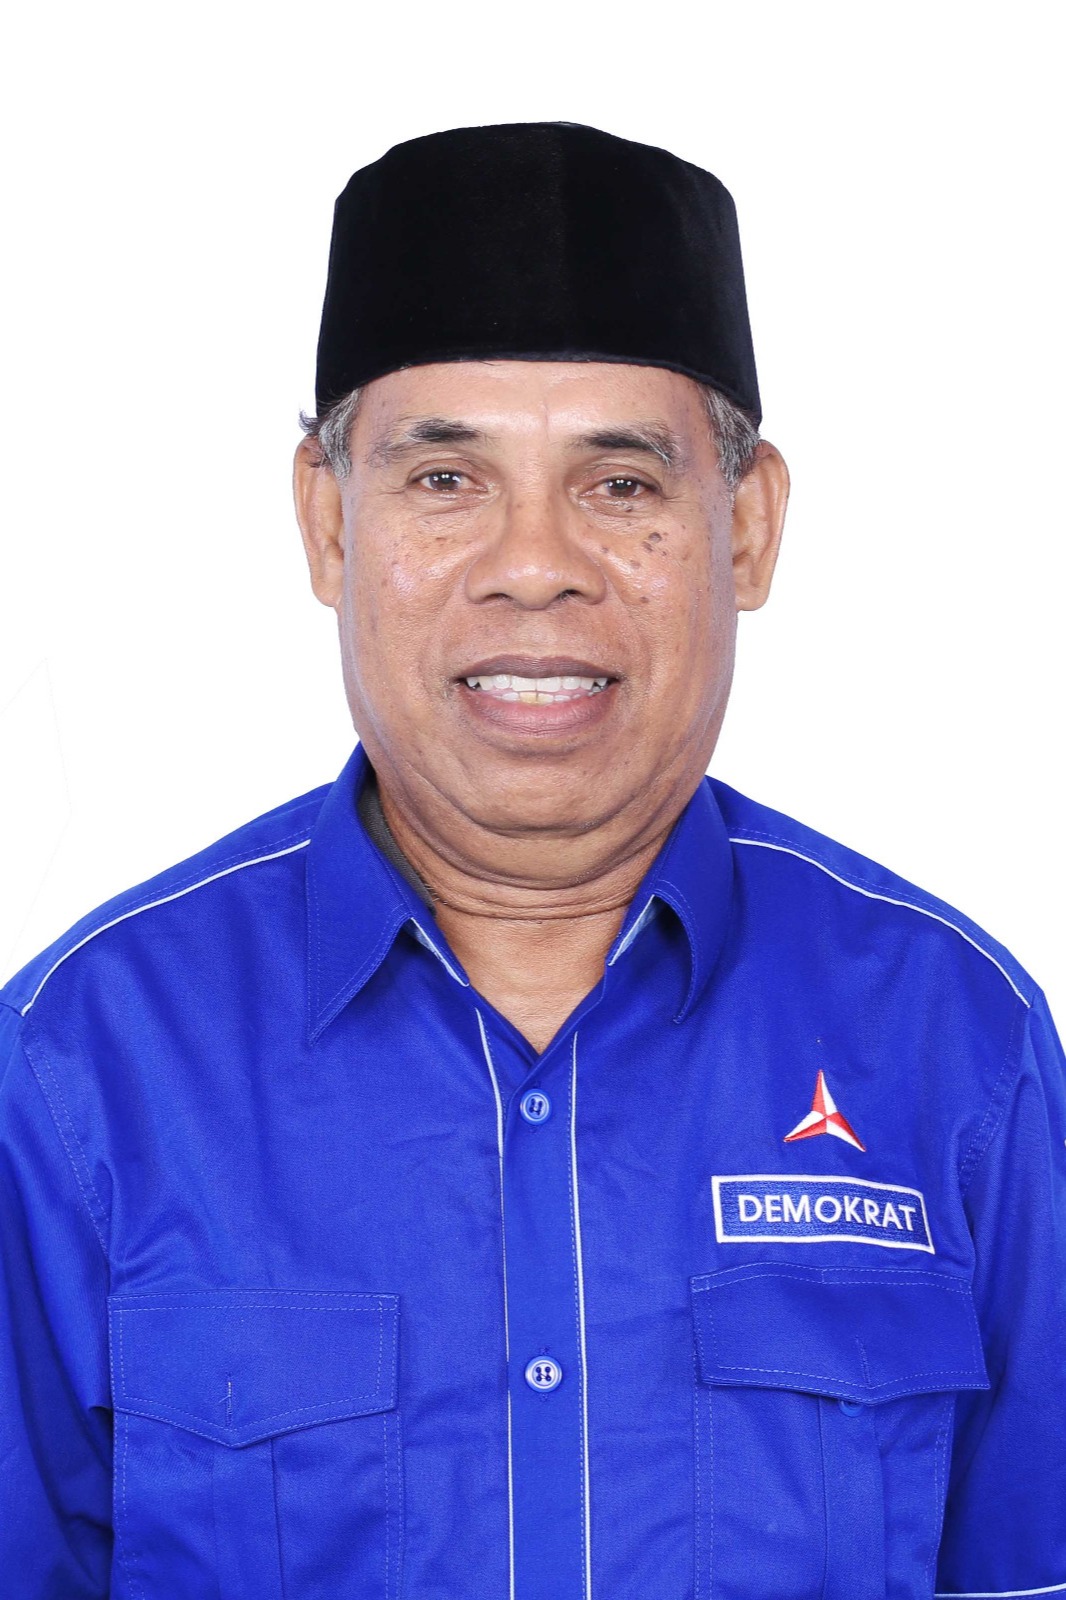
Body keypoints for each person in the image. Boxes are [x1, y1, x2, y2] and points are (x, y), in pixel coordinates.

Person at [1, 120, 1063, 1600]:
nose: (534, 565)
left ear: (747, 529)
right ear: (328, 523)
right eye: (445, 478)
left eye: (620, 484)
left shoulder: (954, 1040)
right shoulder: (80, 1064)